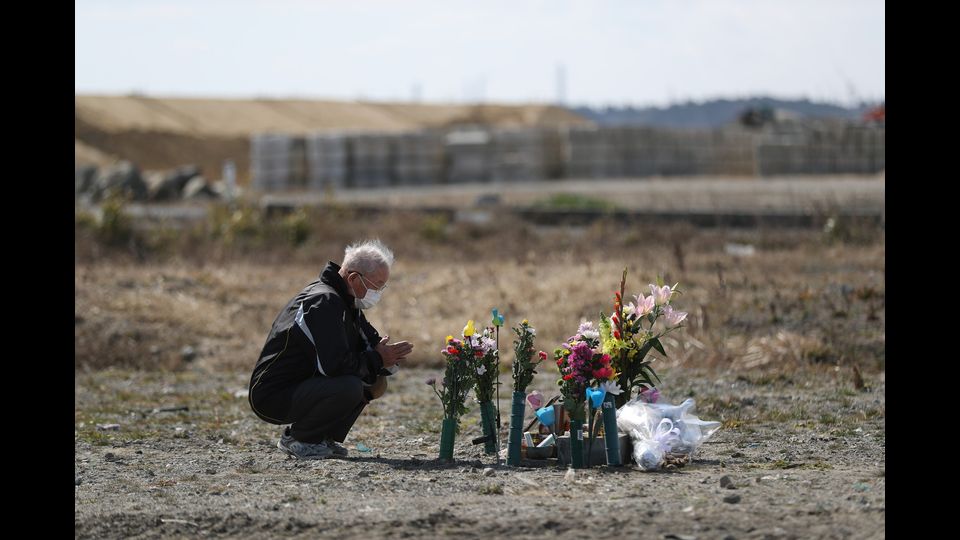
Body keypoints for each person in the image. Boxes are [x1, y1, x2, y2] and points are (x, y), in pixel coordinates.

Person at [248, 239, 414, 459]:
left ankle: (320, 437)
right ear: (354, 278)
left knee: (375, 382)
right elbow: (334, 366)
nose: (379, 292)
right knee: (350, 385)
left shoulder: (346, 301)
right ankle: (300, 439)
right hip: (273, 395)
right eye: (377, 285)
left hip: (304, 384)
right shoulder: (323, 302)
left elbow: (370, 341)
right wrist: (377, 359)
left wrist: (386, 356)